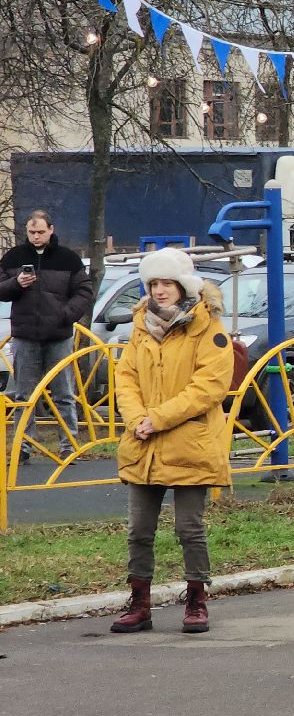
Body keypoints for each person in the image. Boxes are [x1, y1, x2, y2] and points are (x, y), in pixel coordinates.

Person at [108, 248, 234, 635]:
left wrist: (156, 419)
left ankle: (196, 600)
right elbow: (125, 377)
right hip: (143, 443)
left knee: (188, 529)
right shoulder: (141, 327)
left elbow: (209, 388)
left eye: (167, 283)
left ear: (183, 286)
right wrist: (135, 419)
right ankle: (140, 603)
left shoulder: (208, 328)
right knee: (138, 530)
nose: (160, 291)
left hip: (189, 442)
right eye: (153, 283)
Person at [0, 210, 95, 450]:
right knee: (24, 395)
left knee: (63, 393)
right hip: (25, 335)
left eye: (41, 232)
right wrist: (16, 284)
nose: (36, 236)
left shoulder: (68, 259)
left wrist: (65, 315)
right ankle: (25, 445)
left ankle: (69, 445)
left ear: (51, 230)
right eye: (32, 232)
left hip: (58, 335)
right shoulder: (13, 257)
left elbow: (84, 292)